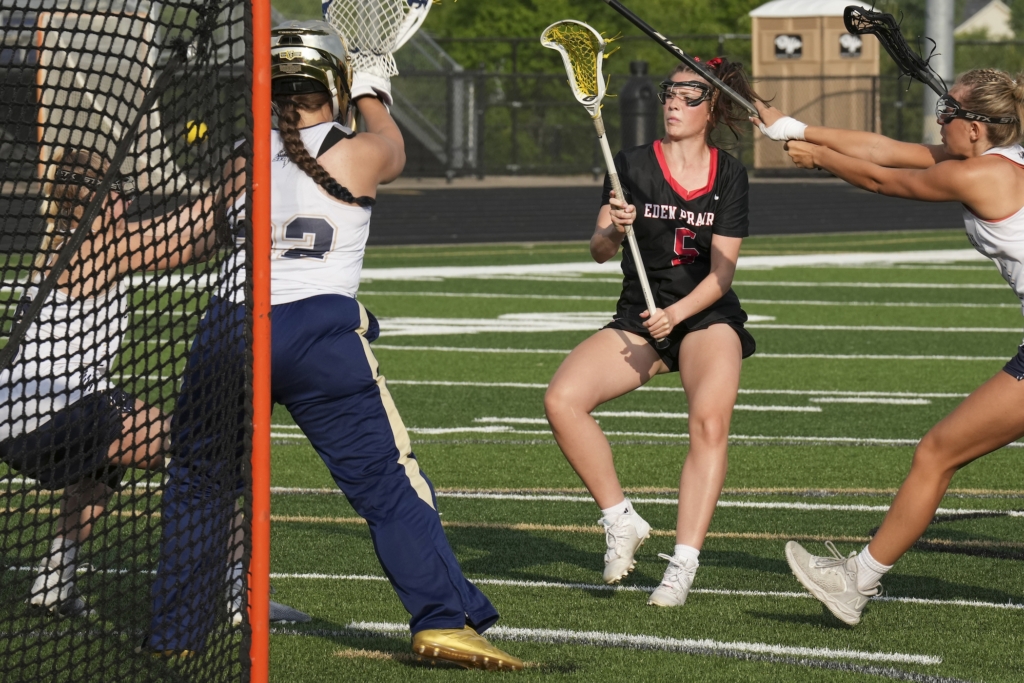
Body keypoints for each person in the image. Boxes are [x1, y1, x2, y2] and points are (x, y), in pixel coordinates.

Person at [147, 21, 523, 670]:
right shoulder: (357, 152)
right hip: (315, 331)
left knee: (199, 482)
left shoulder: (241, 157)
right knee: (385, 482)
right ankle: (442, 620)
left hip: (228, 329)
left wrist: (106, 247)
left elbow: (177, 243)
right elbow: (393, 147)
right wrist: (374, 85)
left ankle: (177, 632)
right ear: (332, 88)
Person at [753, 68, 1024, 626]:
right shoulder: (1001, 161)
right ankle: (857, 577)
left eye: (948, 112)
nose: (938, 119)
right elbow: (887, 149)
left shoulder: (981, 178)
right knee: (938, 452)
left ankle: (856, 580)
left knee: (936, 453)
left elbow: (882, 179)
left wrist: (819, 158)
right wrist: (792, 125)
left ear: (976, 128)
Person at [544, 58, 762, 607]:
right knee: (562, 400)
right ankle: (620, 520)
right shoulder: (631, 166)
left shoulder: (730, 174)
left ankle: (682, 564)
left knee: (709, 421)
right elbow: (596, 252)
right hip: (639, 317)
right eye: (670, 92)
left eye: (689, 95)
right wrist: (613, 232)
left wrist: (679, 313)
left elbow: (722, 275)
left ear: (712, 108)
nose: (673, 103)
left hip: (705, 318)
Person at [0, 147, 223, 617]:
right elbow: (180, 237)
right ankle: (234, 593)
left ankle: (51, 586)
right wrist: (241, 183)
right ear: (92, 202)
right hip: (51, 412)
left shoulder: (73, 243)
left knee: (100, 471)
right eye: (115, 191)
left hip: (34, 413)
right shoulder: (99, 247)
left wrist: (226, 222)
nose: (124, 199)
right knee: (205, 450)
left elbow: (191, 243)